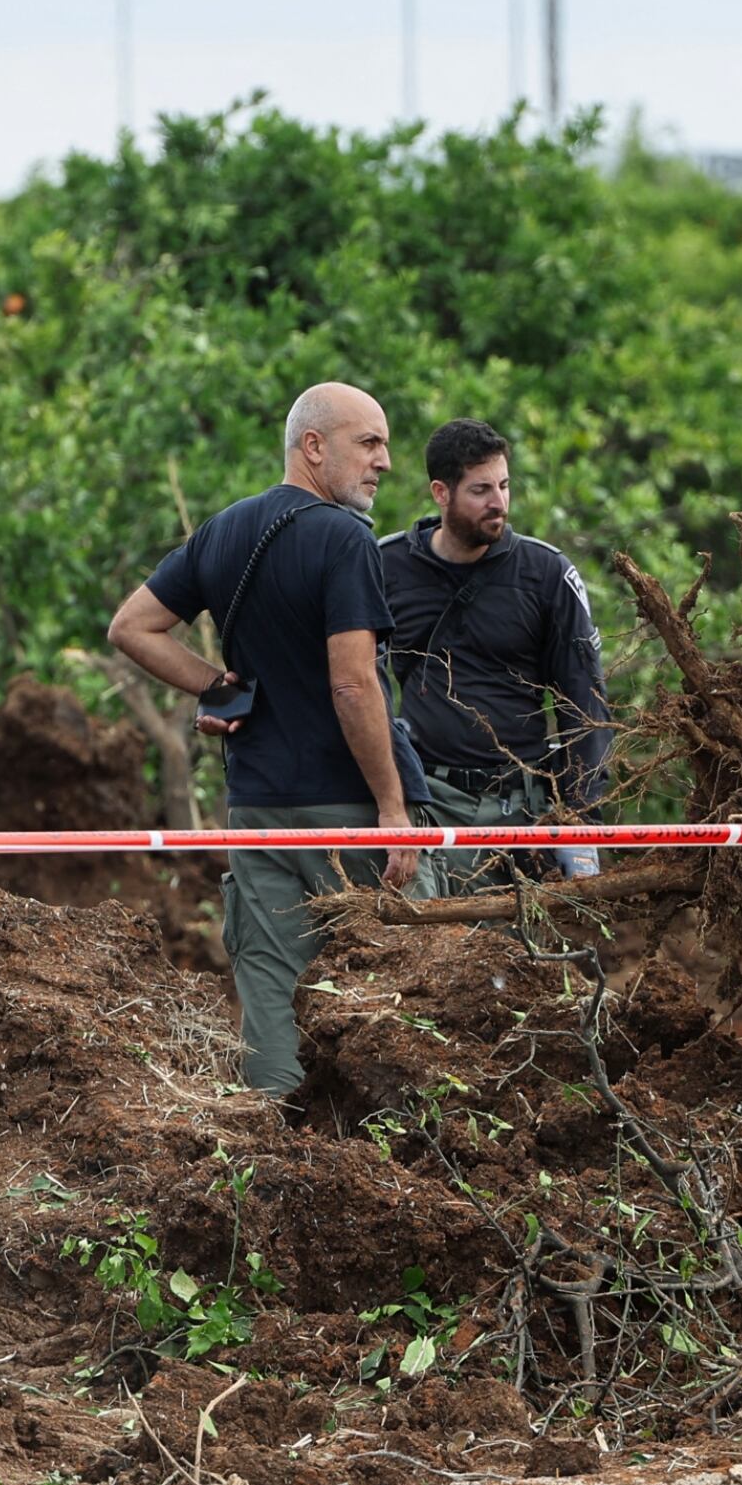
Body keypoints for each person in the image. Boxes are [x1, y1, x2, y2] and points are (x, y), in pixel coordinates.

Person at [108, 381, 424, 1098]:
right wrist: (393, 807)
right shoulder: (343, 537)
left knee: (272, 998)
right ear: (313, 446)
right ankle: (397, 1161)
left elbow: (133, 627)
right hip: (348, 814)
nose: (386, 461)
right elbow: (353, 685)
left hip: (258, 810)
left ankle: (276, 1155)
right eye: (369, 442)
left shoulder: (224, 530)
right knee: (395, 991)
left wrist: (216, 687)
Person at [378, 419, 613, 895]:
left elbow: (584, 703)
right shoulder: (385, 566)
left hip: (519, 808)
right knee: (426, 953)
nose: (499, 503)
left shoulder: (547, 573)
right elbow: (357, 684)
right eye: (481, 490)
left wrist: (580, 823)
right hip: (426, 803)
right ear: (441, 493)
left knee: (522, 961)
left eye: (504, 486)